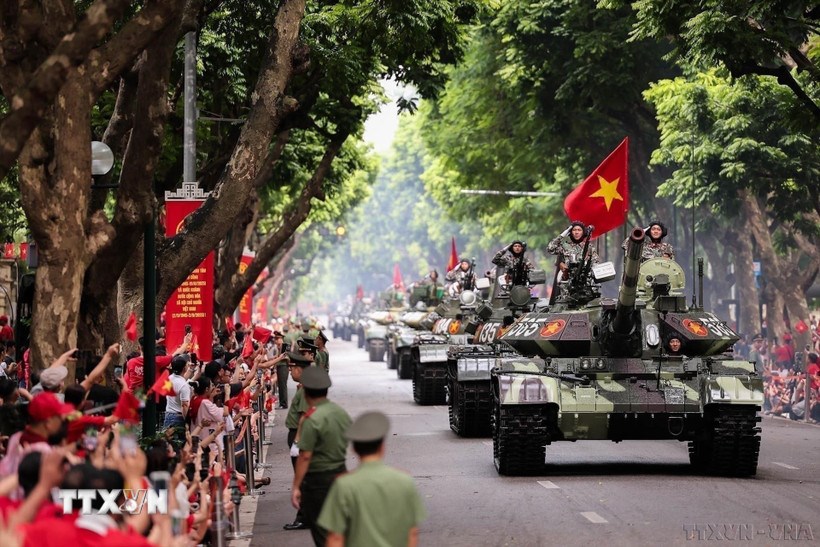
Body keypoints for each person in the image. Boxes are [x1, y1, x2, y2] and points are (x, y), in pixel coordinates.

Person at [318, 411, 426, 547]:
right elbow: (412, 532)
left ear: (354, 449)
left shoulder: (344, 485)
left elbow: (335, 538)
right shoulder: (405, 481)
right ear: (382, 447)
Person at [291, 367, 352, 546]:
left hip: (319, 481)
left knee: (322, 533)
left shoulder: (312, 419)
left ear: (306, 393)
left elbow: (305, 456)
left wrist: (296, 486)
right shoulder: (340, 412)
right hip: (341, 473)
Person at [283, 351, 312, 531]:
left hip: (297, 435)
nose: (290, 371)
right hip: (296, 434)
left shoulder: (304, 389)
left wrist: (297, 441)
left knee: (301, 478)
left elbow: (303, 416)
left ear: (300, 370)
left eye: (292, 368)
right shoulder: (304, 387)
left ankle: (303, 517)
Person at [162, 356, 192, 449]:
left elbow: (180, 380)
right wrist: (187, 422)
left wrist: (191, 370)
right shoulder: (184, 386)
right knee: (178, 446)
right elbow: (184, 405)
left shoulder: (169, 378)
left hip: (168, 415)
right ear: (184, 368)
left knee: (168, 445)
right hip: (178, 418)